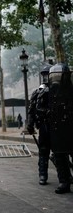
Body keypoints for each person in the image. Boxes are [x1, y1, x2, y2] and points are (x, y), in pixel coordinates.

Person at [47, 63, 73, 194]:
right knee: (59, 156)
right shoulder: (50, 93)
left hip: (70, 128)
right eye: (54, 76)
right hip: (56, 129)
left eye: (59, 76)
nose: (56, 79)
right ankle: (64, 181)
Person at [27, 65, 51, 185]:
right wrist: (30, 125)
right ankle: (43, 174)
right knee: (43, 152)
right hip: (44, 126)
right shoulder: (38, 92)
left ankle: (65, 176)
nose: (45, 77)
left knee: (61, 152)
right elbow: (32, 110)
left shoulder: (59, 91)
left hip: (59, 127)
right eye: (44, 75)